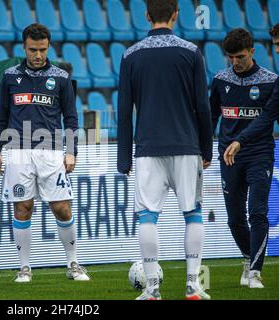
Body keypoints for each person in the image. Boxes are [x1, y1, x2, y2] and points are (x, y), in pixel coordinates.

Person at [117, 0, 213, 300]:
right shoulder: (191, 52)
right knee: (193, 214)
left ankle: (152, 289)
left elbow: (123, 111)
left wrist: (123, 157)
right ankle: (192, 286)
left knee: (147, 216)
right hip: (186, 146)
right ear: (175, 15)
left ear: (147, 15)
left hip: (147, 147)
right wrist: (206, 149)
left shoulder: (130, 55)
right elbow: (202, 107)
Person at [0, 23, 89, 283]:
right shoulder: (10, 76)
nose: (38, 55)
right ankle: (24, 268)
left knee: (62, 209)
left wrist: (71, 152)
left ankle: (73, 263)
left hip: (51, 152)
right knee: (23, 208)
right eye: (33, 49)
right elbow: (0, 115)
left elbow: (71, 117)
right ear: (24, 47)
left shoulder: (61, 77)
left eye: (43, 49)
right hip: (18, 151)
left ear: (48, 47)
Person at [210, 28, 278, 289]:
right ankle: (249, 257)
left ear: (252, 51)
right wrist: (206, 148)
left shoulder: (270, 81)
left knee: (257, 212)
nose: (235, 62)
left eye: (240, 56)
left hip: (259, 153)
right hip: (229, 156)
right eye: (230, 57)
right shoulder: (220, 79)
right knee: (234, 219)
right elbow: (212, 116)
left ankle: (255, 272)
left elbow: (269, 119)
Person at [224, 23, 279, 163]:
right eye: (275, 45)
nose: (277, 51)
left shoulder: (270, 80)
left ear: (251, 52)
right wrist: (240, 141)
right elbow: (268, 114)